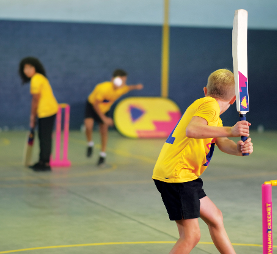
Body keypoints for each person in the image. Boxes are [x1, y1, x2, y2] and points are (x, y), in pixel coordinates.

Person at [152, 69, 253, 254]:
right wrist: (231, 130)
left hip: (185, 175)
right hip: (177, 176)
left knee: (215, 217)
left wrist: (239, 149)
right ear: (233, 100)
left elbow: (223, 143)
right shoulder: (209, 105)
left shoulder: (213, 115)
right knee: (191, 236)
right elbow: (193, 130)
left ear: (205, 89)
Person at [85, 69, 143, 166]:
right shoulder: (103, 89)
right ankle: (90, 143)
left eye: (124, 81)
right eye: (121, 81)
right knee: (88, 126)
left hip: (105, 109)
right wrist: (104, 118)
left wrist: (136, 87)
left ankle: (102, 155)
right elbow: (95, 105)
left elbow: (128, 88)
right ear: (113, 79)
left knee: (104, 131)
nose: (123, 83)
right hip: (92, 106)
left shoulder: (122, 88)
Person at [19, 57, 59, 172]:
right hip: (46, 110)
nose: (26, 70)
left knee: (45, 137)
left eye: (29, 67)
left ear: (35, 68)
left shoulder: (36, 79)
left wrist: (32, 116)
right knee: (42, 136)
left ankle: (46, 163)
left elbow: (35, 100)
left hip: (47, 111)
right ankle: (42, 161)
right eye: (24, 68)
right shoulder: (38, 78)